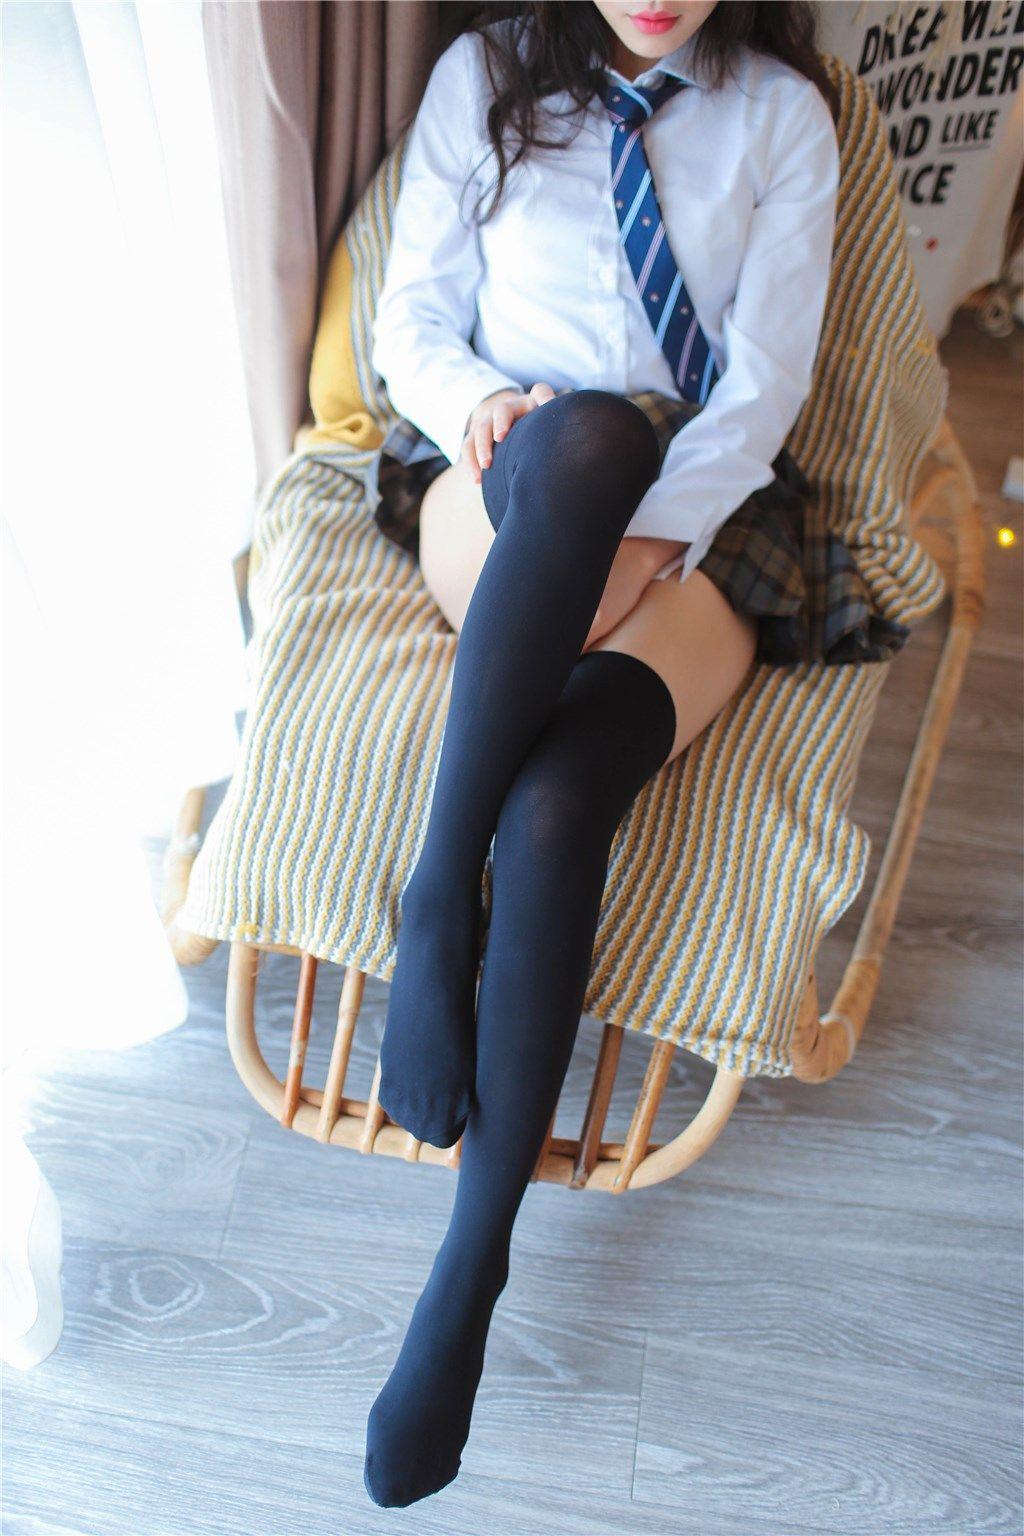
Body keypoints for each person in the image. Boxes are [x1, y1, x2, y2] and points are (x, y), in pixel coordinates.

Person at [363, 0, 848, 1508]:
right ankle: (436, 898)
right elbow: (410, 321)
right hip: (504, 477)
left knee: (564, 800)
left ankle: (473, 1265)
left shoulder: (784, 114)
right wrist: (482, 407)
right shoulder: (488, 72)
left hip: (698, 507)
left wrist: (651, 543)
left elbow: (763, 385)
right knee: (582, 439)